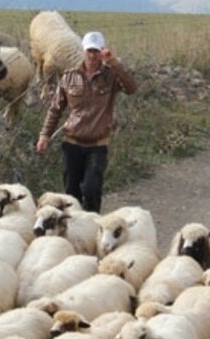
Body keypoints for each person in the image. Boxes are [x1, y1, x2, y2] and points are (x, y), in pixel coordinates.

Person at [36, 31, 137, 213]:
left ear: (102, 52)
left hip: (97, 145)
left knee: (91, 189)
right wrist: (44, 135)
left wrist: (113, 63)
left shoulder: (111, 77)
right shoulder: (69, 77)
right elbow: (55, 109)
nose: (92, 56)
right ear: (84, 51)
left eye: (96, 51)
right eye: (89, 51)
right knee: (71, 194)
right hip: (72, 143)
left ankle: (92, 229)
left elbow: (131, 88)